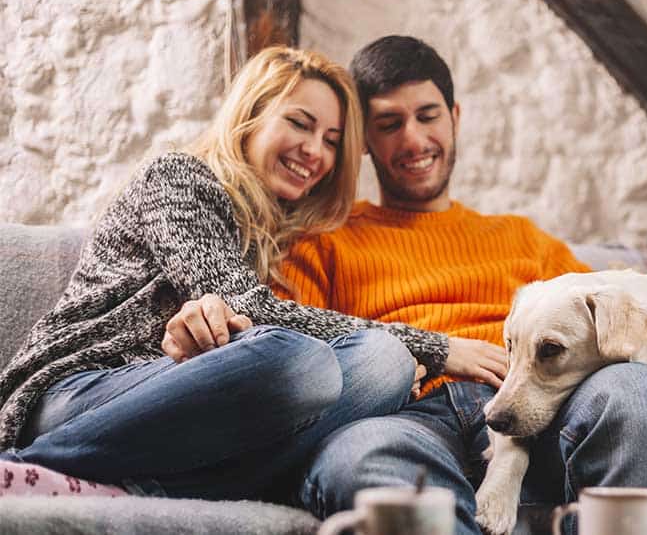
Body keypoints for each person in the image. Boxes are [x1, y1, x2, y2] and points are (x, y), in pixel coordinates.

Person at [167, 36, 647, 534]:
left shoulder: (523, 239)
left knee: (642, 395)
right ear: (363, 142)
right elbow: (289, 356)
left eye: (427, 115)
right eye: (389, 123)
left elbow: (614, 307)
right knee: (361, 456)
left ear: (455, 116)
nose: (413, 139)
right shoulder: (320, 244)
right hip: (407, 420)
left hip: (546, 415)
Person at [0, 45, 468, 503]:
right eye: (299, 124)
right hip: (76, 392)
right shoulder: (180, 178)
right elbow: (249, 310)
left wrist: (402, 357)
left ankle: (141, 487)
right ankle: (32, 465)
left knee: (383, 364)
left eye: (331, 140)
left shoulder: (274, 239)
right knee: (301, 360)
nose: (314, 152)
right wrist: (434, 346)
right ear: (250, 116)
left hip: (180, 411)